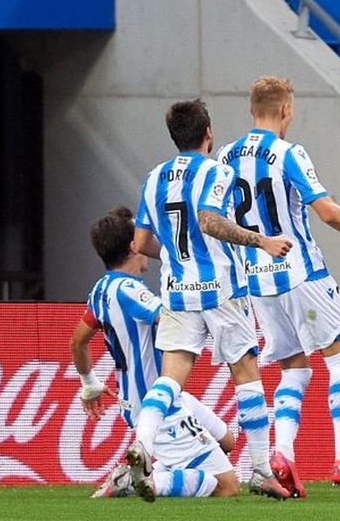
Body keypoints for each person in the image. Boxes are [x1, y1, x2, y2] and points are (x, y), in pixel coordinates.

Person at [217, 76, 340, 499]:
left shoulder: (226, 156)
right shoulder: (288, 154)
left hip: (258, 282)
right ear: (286, 110)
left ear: (252, 110)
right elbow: (327, 213)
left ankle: (282, 454)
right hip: (303, 273)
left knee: (294, 368)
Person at [128, 99, 294, 501]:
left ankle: (143, 444)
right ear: (208, 134)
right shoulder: (218, 170)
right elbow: (208, 220)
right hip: (221, 289)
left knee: (171, 379)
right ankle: (258, 470)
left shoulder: (154, 178)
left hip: (177, 290)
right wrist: (262, 241)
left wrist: (171, 252)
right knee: (246, 374)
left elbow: (140, 243)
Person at [71, 206, 237, 500]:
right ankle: (137, 484)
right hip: (158, 406)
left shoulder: (100, 290)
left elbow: (78, 341)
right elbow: (172, 317)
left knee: (226, 440)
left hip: (155, 400)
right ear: (134, 246)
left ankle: (142, 474)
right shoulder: (131, 291)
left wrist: (89, 384)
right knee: (226, 486)